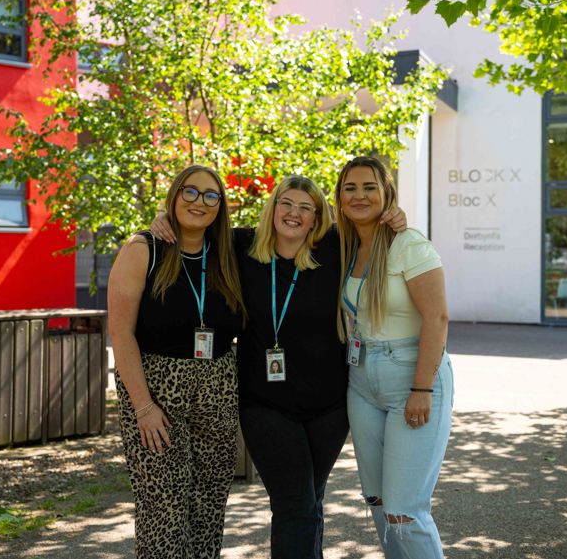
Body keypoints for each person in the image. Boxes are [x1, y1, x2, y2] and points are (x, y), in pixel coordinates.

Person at [151, 174, 408, 559]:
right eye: (287, 203)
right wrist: (162, 215)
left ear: (317, 219)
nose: (294, 213)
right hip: (265, 405)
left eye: (306, 208)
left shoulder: (336, 247)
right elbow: (198, 219)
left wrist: (397, 216)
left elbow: (370, 222)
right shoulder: (241, 246)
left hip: (329, 408)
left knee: (309, 501)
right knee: (294, 505)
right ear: (273, 209)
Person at [107, 164, 246, 559]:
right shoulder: (143, 249)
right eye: (189, 192)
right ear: (174, 195)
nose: (199, 201)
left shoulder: (232, 251)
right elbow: (121, 333)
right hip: (155, 393)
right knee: (162, 511)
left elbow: (297, 225)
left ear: (221, 205)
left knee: (208, 507)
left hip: (217, 391)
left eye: (210, 195)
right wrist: (143, 408)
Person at [336, 156, 454, 559]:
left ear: (386, 192)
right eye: (350, 187)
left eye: (369, 186)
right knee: (380, 504)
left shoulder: (409, 243)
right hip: (362, 381)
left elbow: (436, 318)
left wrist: (422, 388)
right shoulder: (345, 246)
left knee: (405, 511)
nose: (359, 195)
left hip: (411, 376)